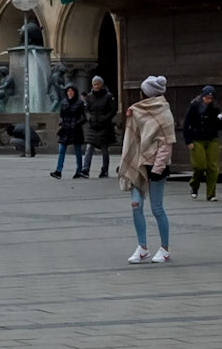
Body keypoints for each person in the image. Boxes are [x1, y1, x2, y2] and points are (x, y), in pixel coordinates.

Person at [121, 74, 175, 262]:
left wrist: (157, 169)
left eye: (142, 91)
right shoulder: (139, 110)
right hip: (139, 164)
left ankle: (165, 249)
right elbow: (135, 134)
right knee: (135, 205)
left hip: (157, 167)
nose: (140, 94)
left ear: (147, 93)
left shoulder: (164, 112)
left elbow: (166, 144)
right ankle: (142, 247)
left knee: (157, 209)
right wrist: (132, 114)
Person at [183, 85, 220, 201]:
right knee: (199, 165)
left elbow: (217, 125)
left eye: (211, 98)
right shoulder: (194, 107)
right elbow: (186, 124)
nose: (208, 100)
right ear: (202, 97)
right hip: (197, 139)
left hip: (212, 139)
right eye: (206, 98)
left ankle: (211, 194)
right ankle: (194, 185)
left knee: (213, 167)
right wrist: (188, 140)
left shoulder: (215, 108)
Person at [84, 75, 118, 178]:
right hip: (92, 125)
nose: (96, 86)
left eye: (98, 84)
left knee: (104, 149)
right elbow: (86, 109)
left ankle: (104, 170)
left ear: (102, 85)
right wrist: (89, 117)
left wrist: (105, 118)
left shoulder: (108, 96)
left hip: (104, 126)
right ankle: (85, 169)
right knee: (89, 148)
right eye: (94, 84)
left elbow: (113, 110)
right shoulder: (89, 96)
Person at [51, 84, 87, 178]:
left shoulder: (80, 103)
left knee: (78, 151)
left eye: (72, 91)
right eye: (68, 91)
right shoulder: (64, 102)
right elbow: (61, 115)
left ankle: (79, 170)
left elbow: (85, 117)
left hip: (76, 130)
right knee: (61, 150)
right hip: (65, 129)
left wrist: (76, 123)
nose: (70, 93)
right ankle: (58, 171)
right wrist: (61, 123)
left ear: (75, 92)